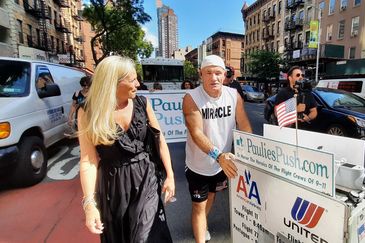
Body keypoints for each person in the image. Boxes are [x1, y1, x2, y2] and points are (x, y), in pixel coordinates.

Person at [77, 56, 175, 243]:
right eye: (132, 79)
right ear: (113, 82)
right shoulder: (88, 111)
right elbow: (88, 161)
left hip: (146, 177)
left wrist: (170, 175)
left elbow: (159, 140)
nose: (138, 83)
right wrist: (89, 204)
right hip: (113, 186)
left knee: (145, 237)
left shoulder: (142, 103)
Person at [182, 55, 252, 243]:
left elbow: (244, 124)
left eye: (218, 73)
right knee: (198, 205)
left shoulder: (233, 95)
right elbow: (196, 133)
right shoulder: (191, 98)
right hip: (199, 164)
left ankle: (201, 225)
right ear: (201, 75)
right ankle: (200, 234)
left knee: (211, 196)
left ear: (225, 75)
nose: (214, 78)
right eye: (209, 73)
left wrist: (250, 152)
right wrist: (218, 155)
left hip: (222, 163)